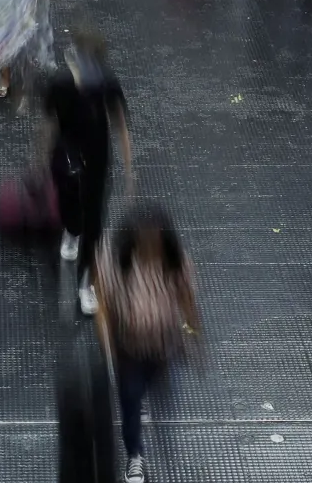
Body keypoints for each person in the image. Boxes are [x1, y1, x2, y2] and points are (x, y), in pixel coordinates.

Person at [95, 206, 201, 483]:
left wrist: (193, 334)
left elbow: (186, 299)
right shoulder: (116, 262)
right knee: (130, 401)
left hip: (163, 345)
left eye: (156, 240)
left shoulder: (176, 262)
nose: (152, 246)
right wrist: (107, 346)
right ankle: (134, 456)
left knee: (156, 391)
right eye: (146, 241)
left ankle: (142, 396)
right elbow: (104, 304)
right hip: (128, 347)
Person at [47, 32, 132, 317]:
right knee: (69, 202)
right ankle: (71, 229)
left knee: (94, 220)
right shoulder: (60, 83)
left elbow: (119, 122)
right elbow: (48, 122)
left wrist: (129, 168)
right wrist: (39, 156)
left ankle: (87, 284)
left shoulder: (107, 84)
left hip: (96, 155)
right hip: (66, 152)